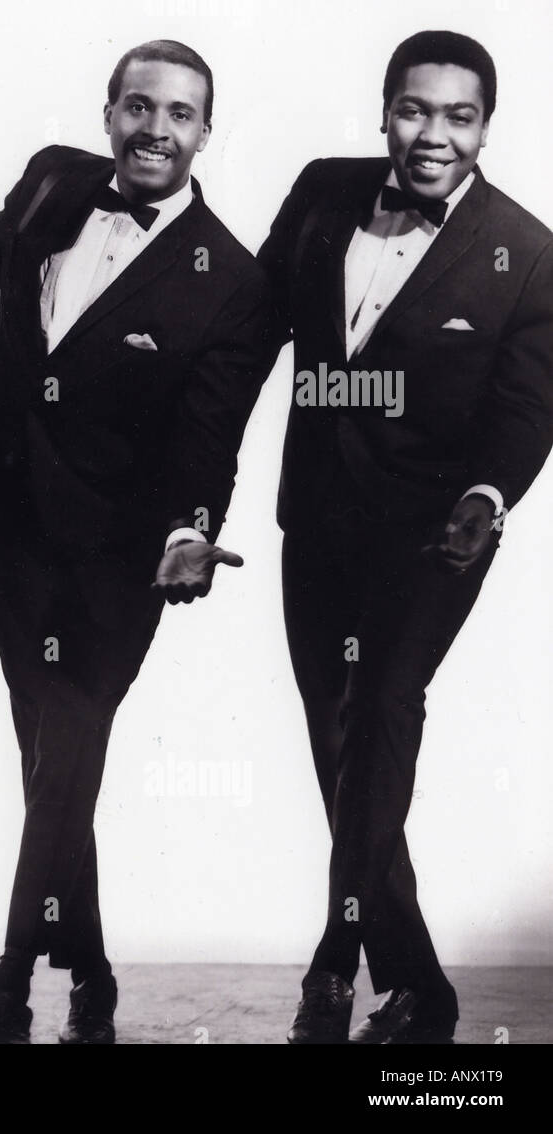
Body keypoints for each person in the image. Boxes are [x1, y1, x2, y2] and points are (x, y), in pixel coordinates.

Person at [0, 39, 277, 1042]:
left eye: (181, 115)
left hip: (123, 561)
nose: (157, 130)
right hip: (12, 533)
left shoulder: (233, 282)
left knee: (64, 757)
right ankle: (95, 977)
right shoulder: (51, 178)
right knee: (53, 767)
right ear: (109, 110)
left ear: (207, 129)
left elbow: (210, 441)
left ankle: (10, 983)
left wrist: (192, 533)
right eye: (139, 107)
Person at [259, 30, 553, 1044]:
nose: (433, 134)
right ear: (385, 110)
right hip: (318, 521)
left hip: (437, 534)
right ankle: (420, 987)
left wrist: (485, 494)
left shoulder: (528, 250)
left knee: (381, 709)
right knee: (339, 744)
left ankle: (337, 957)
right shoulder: (320, 191)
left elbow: (524, 411)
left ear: (484, 128)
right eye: (415, 111)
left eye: (457, 116)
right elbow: (250, 326)